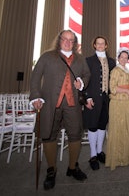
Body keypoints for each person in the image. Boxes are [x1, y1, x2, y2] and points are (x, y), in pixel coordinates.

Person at [30, 29, 91, 190]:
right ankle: (52, 169)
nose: (68, 42)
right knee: (49, 134)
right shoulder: (47, 56)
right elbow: (35, 76)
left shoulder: (79, 59)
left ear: (74, 43)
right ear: (59, 40)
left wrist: (81, 82)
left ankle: (72, 167)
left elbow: (87, 74)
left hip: (72, 104)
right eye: (65, 39)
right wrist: (36, 96)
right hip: (50, 103)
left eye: (71, 40)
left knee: (75, 134)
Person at [105, 47, 129, 170]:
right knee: (119, 128)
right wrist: (127, 90)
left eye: (126, 58)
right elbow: (112, 87)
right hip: (119, 102)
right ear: (118, 58)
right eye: (122, 57)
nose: (124, 59)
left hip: (128, 103)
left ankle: (128, 156)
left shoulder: (127, 70)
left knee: (128, 128)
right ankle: (119, 158)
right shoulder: (115, 70)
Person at [82, 36, 116, 170]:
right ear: (94, 45)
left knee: (102, 125)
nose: (101, 45)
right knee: (93, 126)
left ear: (106, 45)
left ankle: (100, 151)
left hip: (107, 99)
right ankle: (93, 155)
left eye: (103, 43)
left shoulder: (112, 61)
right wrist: (87, 97)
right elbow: (84, 81)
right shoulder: (88, 61)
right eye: (98, 43)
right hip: (93, 99)